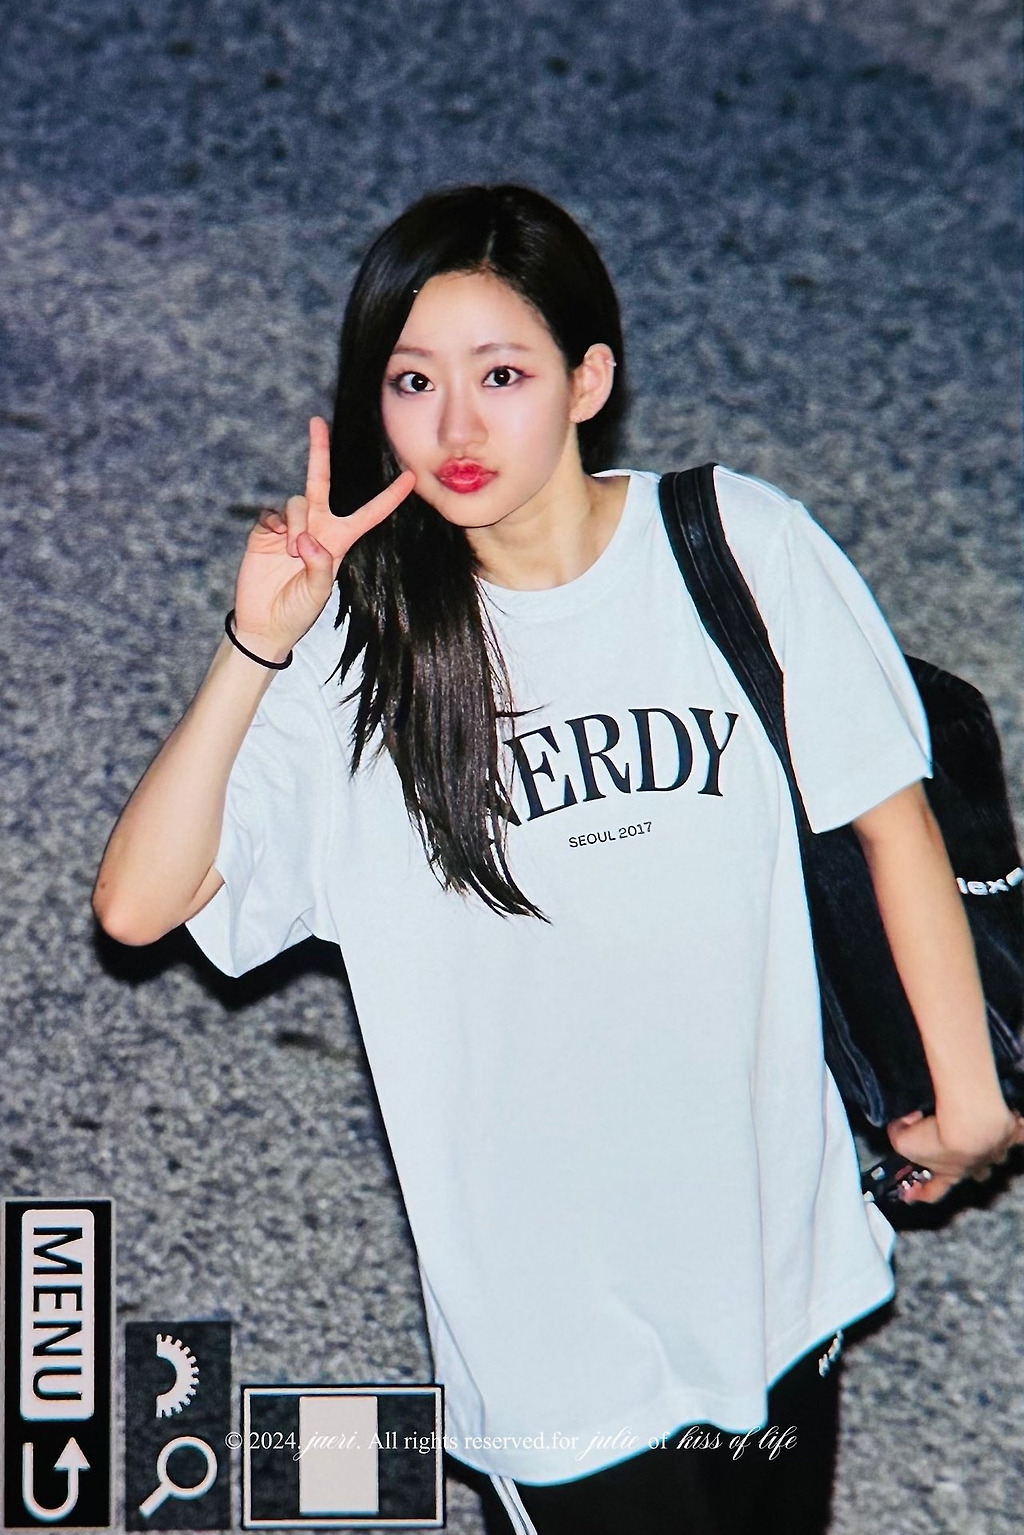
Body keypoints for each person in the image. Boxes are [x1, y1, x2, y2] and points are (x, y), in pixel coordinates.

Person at [93, 184, 1023, 1535]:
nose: (455, 429)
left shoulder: (736, 547)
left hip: (781, 1270)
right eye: (414, 381)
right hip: (556, 1351)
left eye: (502, 375)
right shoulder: (361, 651)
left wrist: (969, 1096)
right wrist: (256, 644)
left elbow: (891, 821)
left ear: (589, 380)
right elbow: (139, 905)